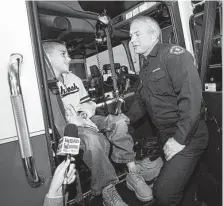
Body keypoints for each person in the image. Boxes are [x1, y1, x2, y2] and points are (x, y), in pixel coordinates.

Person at [42, 40, 153, 206]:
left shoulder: (73, 78)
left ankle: (132, 171)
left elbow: (88, 103)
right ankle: (107, 188)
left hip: (86, 118)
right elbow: (55, 123)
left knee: (119, 121)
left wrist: (85, 113)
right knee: (94, 140)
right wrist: (76, 121)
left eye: (68, 54)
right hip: (69, 128)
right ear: (47, 58)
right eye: (63, 54)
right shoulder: (43, 88)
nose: (69, 59)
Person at [127, 16, 209, 206]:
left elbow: (191, 99)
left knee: (163, 193)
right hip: (165, 135)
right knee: (182, 189)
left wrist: (180, 139)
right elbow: (141, 102)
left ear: (154, 34)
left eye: (137, 34)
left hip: (188, 134)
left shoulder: (173, 55)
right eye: (130, 36)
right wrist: (122, 119)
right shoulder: (145, 67)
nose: (132, 40)